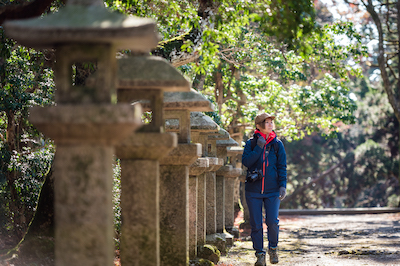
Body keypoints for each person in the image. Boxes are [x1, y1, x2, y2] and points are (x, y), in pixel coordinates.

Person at [242, 113, 287, 266]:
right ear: (258, 126)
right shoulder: (251, 143)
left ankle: (273, 249)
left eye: (271, 122)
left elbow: (282, 166)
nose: (270, 124)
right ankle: (260, 254)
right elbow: (247, 162)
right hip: (253, 191)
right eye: (266, 122)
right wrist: (259, 148)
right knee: (256, 224)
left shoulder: (277, 144)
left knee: (272, 222)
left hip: (273, 190)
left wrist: (283, 185)